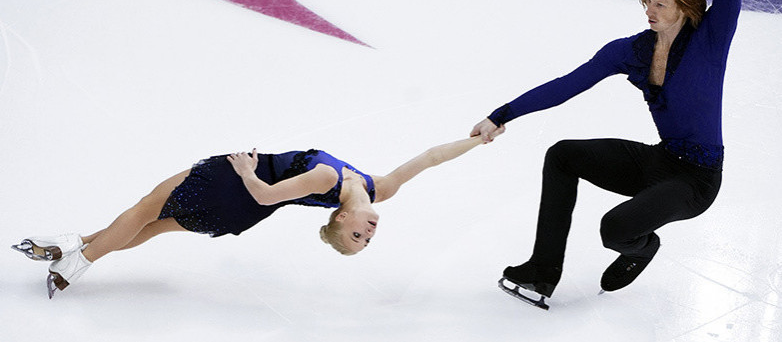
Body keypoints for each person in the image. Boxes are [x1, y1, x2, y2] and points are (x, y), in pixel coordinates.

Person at [471, 0, 776, 309]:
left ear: (684, 6)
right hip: (661, 160)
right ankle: (541, 274)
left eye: (660, 3)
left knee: (614, 229)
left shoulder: (710, 38)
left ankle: (641, 249)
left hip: (697, 181)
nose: (649, 10)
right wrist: (501, 114)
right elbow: (567, 84)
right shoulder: (630, 51)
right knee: (562, 155)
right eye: (646, 0)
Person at [13, 135, 491, 298]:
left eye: (356, 239)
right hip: (239, 213)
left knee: (144, 209)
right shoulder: (378, 189)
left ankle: (75, 261)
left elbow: (265, 195)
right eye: (367, 241)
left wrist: (243, 166)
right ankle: (70, 247)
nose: (367, 235)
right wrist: (479, 139)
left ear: (340, 223)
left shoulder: (326, 180)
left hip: (238, 185)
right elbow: (430, 158)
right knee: (154, 227)